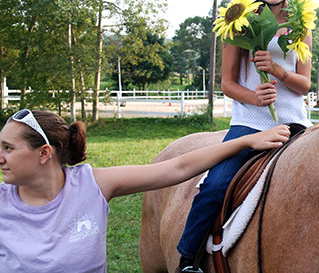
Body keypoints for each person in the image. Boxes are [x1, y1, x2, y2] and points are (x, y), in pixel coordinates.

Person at [0, 109, 290, 272]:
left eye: (8, 148)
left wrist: (246, 141)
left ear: (43, 154)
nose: (1, 156)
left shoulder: (92, 186)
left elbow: (177, 168)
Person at [175, 0, 312, 270]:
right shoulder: (237, 22)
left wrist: (279, 71)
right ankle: (187, 260)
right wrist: (255, 98)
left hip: (295, 124)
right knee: (215, 186)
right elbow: (227, 83)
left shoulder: (300, 24)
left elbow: (304, 84)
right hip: (249, 125)